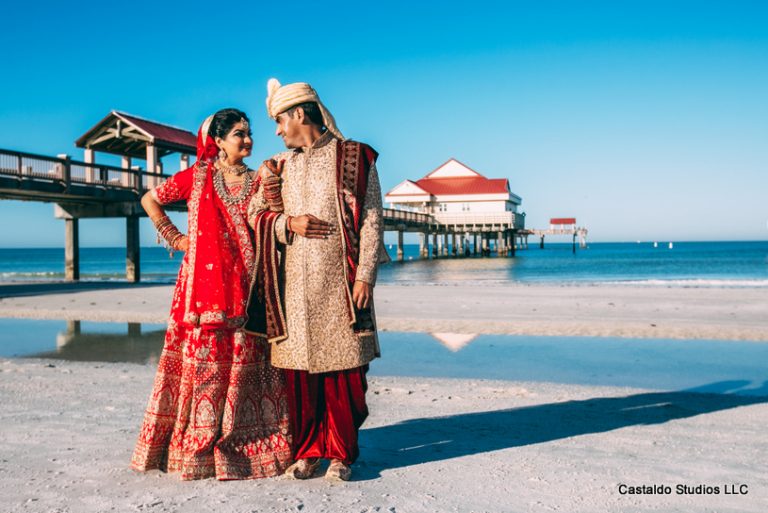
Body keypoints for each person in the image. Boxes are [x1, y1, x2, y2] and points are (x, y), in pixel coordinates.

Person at [130, 109, 292, 480]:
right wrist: (176, 239)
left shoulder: (257, 179)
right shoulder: (197, 177)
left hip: (250, 286)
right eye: (239, 134)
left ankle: (249, 438)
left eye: (249, 133)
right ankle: (199, 443)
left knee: (247, 362)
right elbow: (149, 199)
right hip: (203, 292)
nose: (248, 140)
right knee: (203, 367)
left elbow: (274, 217)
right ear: (218, 141)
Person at [247, 79, 385, 481]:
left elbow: (373, 218)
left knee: (343, 373)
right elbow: (255, 214)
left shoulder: (356, 157)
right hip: (292, 288)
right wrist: (289, 223)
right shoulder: (276, 167)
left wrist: (366, 276)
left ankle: (341, 453)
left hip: (340, 283)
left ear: (300, 114)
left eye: (278, 121)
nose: (276, 131)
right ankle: (308, 450)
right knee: (301, 379)